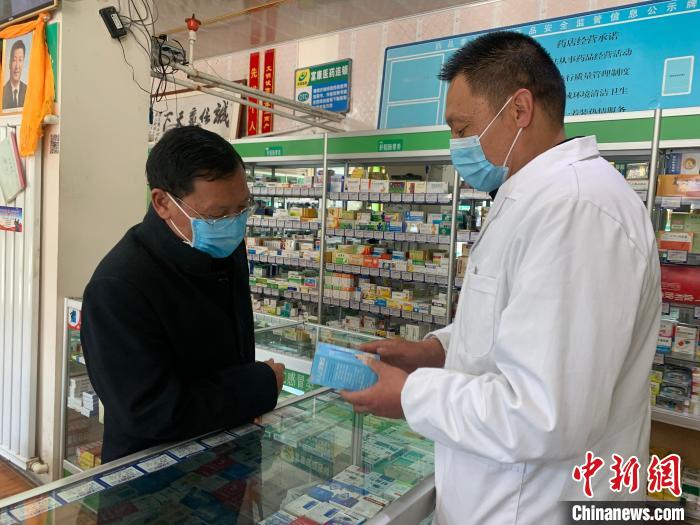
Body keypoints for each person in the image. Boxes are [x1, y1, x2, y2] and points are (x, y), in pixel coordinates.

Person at [342, 32, 660, 524]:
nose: (456, 146)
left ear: (519, 110)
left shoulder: (576, 209)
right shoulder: (532, 197)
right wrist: (436, 351)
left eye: (462, 128)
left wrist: (409, 394)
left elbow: (543, 414)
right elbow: (513, 323)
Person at [82, 126, 285, 462]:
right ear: (163, 202)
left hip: (226, 449)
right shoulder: (118, 286)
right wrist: (257, 386)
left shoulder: (223, 246)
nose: (233, 223)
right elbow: (148, 410)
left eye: (242, 207)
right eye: (217, 215)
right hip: (152, 470)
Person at [3, 39, 27, 110]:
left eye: (20, 60)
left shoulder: (28, 91)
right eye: (14, 60)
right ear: (9, 63)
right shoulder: (2, 92)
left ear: (23, 63)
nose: (17, 66)